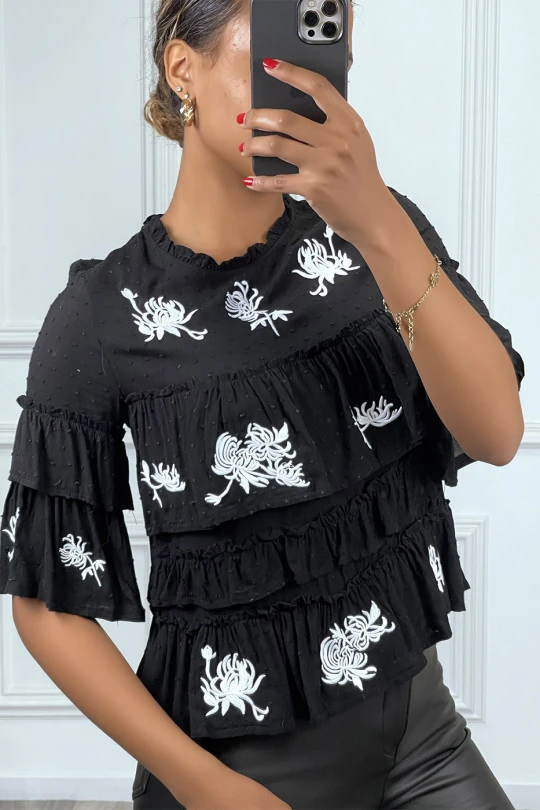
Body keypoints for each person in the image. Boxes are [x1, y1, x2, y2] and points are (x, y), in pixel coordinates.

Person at [0, 1, 525, 809]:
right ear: (183, 70)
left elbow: (496, 434)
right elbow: (45, 606)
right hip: (245, 773)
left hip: (426, 736)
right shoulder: (102, 317)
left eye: (322, 63)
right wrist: (205, 787)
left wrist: (378, 222)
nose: (300, 90)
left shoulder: (380, 232)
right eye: (271, 59)